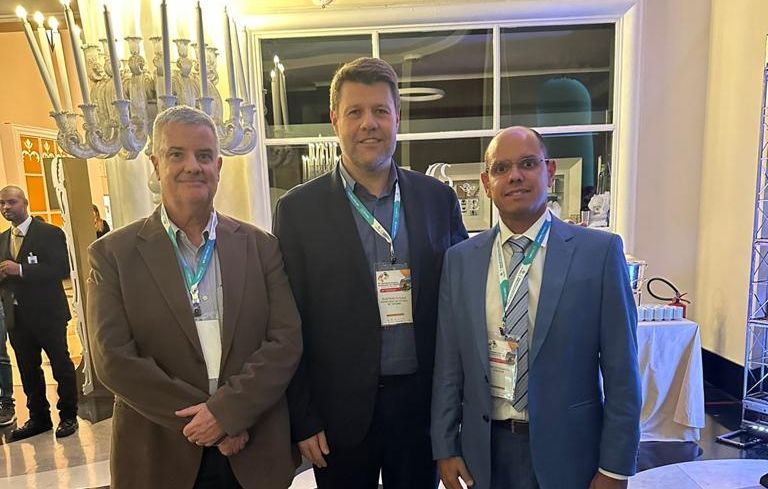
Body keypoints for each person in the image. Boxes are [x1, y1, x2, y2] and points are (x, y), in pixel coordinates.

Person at [273, 57, 468, 489]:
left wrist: (456, 412)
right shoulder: (297, 211)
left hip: (421, 409)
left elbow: (460, 307)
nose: (369, 124)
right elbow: (287, 323)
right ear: (334, 120)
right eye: (355, 112)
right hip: (337, 414)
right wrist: (303, 418)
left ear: (398, 117)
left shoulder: (437, 200)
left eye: (381, 110)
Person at [86, 106, 302, 489]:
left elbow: (285, 342)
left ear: (218, 166)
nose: (192, 166)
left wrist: (229, 413)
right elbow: (113, 359)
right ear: (156, 164)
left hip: (253, 449)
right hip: (159, 453)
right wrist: (212, 423)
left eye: (204, 156)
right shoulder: (112, 255)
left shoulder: (261, 247)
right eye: (176, 154)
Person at [431, 126, 641, 489]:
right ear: (486, 183)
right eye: (501, 168)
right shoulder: (460, 260)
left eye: (528, 163)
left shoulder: (599, 254)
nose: (514, 176)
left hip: (570, 454)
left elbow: (622, 372)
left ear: (550, 170)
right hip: (485, 453)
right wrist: (446, 446)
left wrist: (615, 467)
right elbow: (449, 366)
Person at [0, 186, 78, 440]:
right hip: (17, 318)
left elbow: (60, 269)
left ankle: (68, 416)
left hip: (48, 315)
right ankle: (39, 418)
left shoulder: (49, 233)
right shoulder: (2, 239)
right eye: (2, 203)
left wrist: (21, 269)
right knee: (28, 369)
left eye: (11, 202)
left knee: (61, 365)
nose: (6, 208)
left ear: (25, 203)